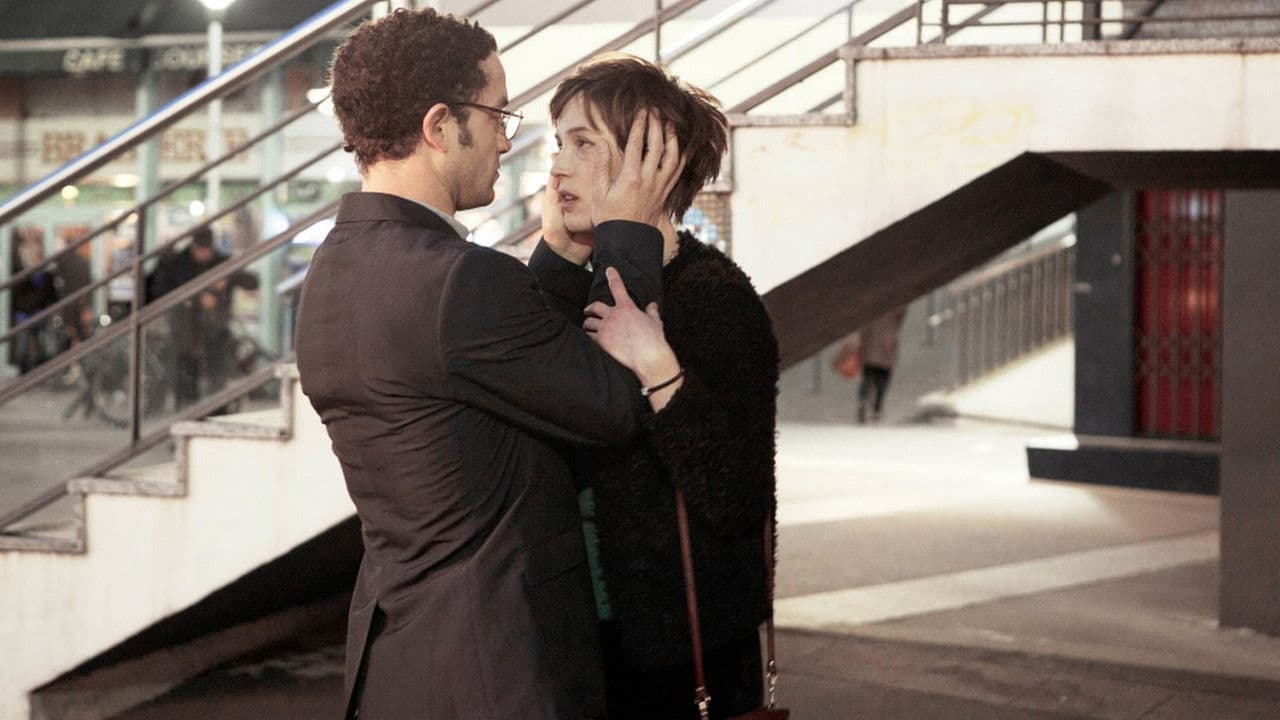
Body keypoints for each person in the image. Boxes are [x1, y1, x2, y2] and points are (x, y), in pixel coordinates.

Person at [292, 9, 685, 719]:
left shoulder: (336, 268)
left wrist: (557, 260)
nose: (508, 139)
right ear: (440, 126)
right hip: (498, 674)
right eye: (497, 114)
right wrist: (628, 231)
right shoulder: (460, 279)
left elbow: (504, 375)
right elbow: (613, 404)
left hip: (401, 667)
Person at [529, 55, 780, 720]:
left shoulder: (713, 296)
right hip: (575, 641)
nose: (557, 168)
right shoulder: (578, 278)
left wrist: (659, 369)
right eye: (558, 144)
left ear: (653, 164)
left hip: (677, 658)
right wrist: (554, 259)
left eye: (583, 144)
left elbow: (736, 497)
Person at [147, 226, 258, 410]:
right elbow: (161, 290)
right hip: (185, 333)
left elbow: (252, 281)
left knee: (217, 383)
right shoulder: (177, 263)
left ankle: (216, 413)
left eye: (208, 250)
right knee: (186, 383)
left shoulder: (221, 261)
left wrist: (228, 280)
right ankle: (186, 414)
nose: (204, 255)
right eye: (200, 250)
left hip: (215, 333)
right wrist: (197, 298)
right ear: (193, 246)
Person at [9, 227, 59, 374]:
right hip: (25, 313)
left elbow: (52, 295)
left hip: (40, 313)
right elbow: (18, 295)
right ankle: (25, 368)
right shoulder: (21, 273)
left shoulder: (47, 275)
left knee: (41, 342)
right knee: (24, 343)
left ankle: (39, 368)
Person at [854, 306, 907, 423]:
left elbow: (864, 333)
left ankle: (863, 399)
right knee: (882, 384)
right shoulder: (893, 316)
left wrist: (862, 350)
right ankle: (876, 409)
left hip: (870, 354)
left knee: (867, 379)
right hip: (886, 355)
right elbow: (901, 314)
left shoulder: (871, 314)